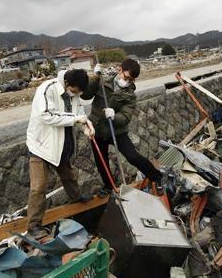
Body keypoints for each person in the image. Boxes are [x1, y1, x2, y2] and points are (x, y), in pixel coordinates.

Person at [25, 68, 95, 239]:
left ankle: (77, 200)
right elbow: (46, 115)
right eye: (73, 91)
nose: (75, 94)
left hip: (62, 143)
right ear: (67, 83)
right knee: (38, 187)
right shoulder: (47, 88)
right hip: (41, 146)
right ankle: (34, 227)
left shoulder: (75, 93)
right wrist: (75, 119)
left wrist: (87, 126)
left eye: (78, 93)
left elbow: (79, 114)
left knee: (69, 176)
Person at [82, 58, 162, 192]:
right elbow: (85, 95)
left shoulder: (130, 95)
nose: (128, 81)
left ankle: (156, 176)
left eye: (132, 80)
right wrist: (94, 77)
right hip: (97, 129)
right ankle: (109, 186)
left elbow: (125, 117)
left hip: (117, 130)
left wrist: (114, 116)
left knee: (132, 156)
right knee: (101, 161)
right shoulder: (103, 81)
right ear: (120, 70)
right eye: (127, 77)